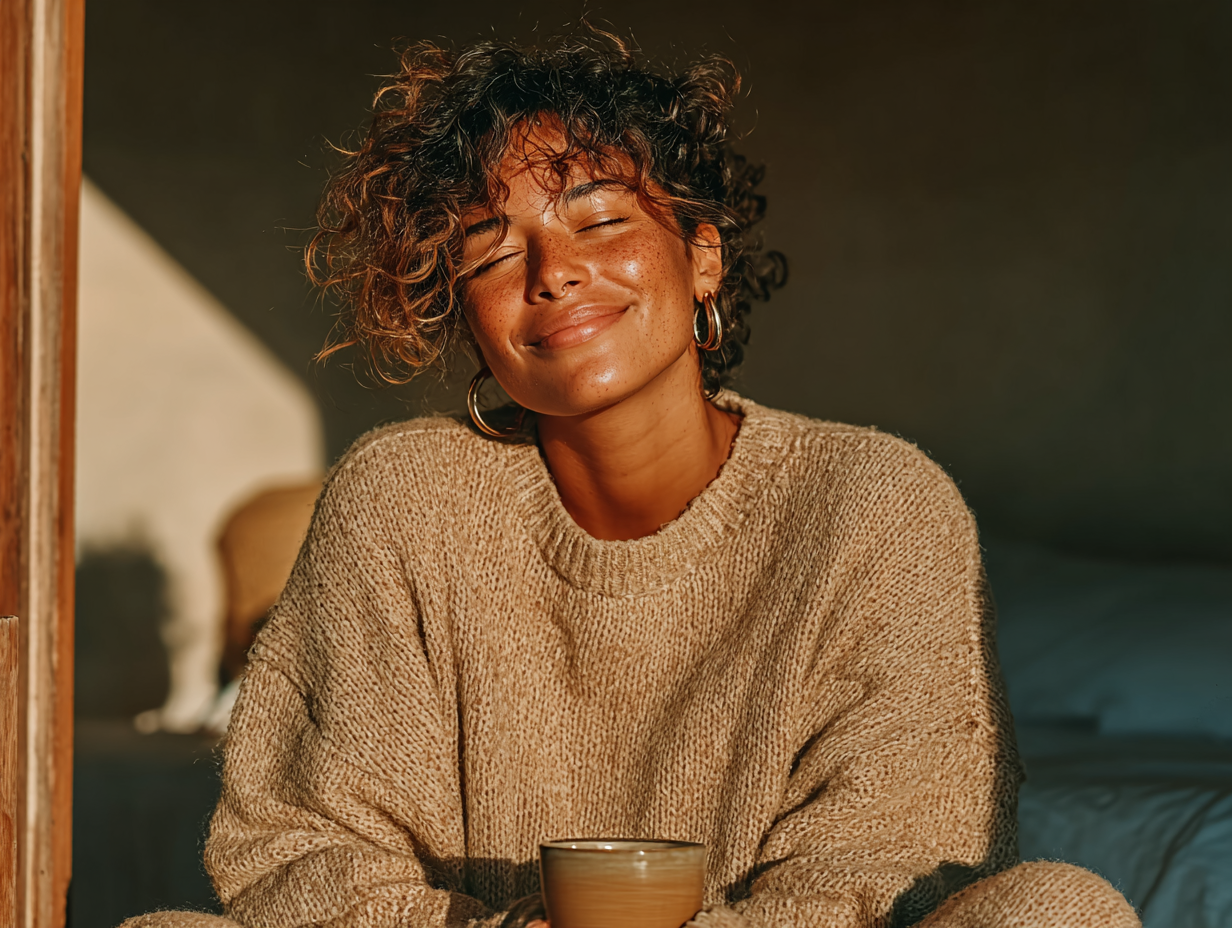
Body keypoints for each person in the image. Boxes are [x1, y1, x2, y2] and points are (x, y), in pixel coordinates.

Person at [123, 27, 1138, 928]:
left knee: (1059, 911)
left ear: (701, 256)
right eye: (489, 248)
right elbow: (302, 848)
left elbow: (887, 859)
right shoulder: (401, 498)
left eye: (599, 221)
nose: (551, 269)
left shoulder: (874, 505)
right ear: (465, 317)